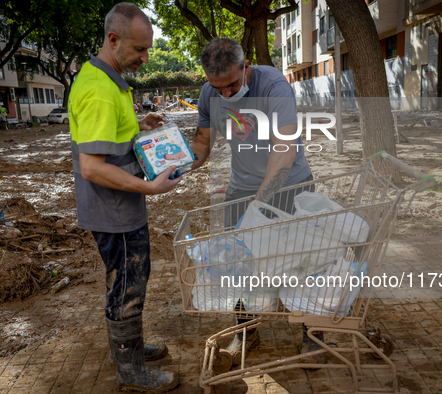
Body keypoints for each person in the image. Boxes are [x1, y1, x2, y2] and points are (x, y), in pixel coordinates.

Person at [189, 38, 324, 367]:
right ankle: (246, 332)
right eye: (216, 86)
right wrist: (178, 162)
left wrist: (260, 205)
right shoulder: (210, 94)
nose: (224, 93)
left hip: (290, 186)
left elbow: (284, 149)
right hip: (242, 190)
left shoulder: (274, 85)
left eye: (232, 83)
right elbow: (203, 143)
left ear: (246, 67)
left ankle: (314, 335)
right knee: (239, 264)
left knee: (302, 263)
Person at [68, 3, 180, 392]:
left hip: (120, 208)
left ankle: (130, 347)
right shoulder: (99, 90)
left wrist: (138, 129)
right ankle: (130, 372)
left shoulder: (108, 79)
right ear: (113, 40)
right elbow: (92, 166)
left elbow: (109, 142)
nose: (146, 58)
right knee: (127, 284)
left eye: (148, 49)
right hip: (114, 213)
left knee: (131, 280)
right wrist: (150, 187)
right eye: (139, 50)